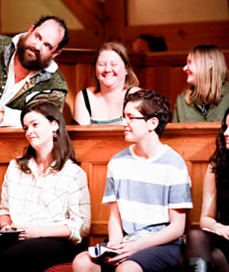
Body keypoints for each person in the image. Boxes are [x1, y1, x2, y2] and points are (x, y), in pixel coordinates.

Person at [72, 89, 193, 272]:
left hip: (163, 243)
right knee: (82, 262)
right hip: (127, 239)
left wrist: (136, 247)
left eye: (130, 117)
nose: (123, 123)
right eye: (123, 116)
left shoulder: (174, 165)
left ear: (152, 123)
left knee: (127, 269)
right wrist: (114, 244)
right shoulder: (117, 162)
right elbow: (115, 216)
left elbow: (177, 227)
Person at [0, 100, 91, 272]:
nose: (30, 132)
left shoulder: (73, 173)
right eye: (26, 128)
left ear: (54, 126)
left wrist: (39, 231)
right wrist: (6, 226)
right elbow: (4, 211)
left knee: (15, 255)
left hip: (54, 238)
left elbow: (82, 226)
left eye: (35, 125)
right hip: (18, 235)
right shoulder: (15, 167)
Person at [183, 107, 229, 272]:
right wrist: (218, 227)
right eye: (225, 127)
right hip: (224, 236)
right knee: (196, 236)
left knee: (215, 257)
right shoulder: (216, 166)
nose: (226, 133)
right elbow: (206, 218)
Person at [73, 42, 140, 125]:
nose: (107, 69)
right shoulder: (85, 96)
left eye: (114, 64)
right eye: (102, 64)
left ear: (126, 69)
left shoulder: (136, 95)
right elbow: (81, 136)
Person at [172, 44, 229, 122]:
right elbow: (176, 133)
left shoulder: (227, 98)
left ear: (209, 64)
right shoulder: (182, 101)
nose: (184, 68)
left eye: (190, 62)